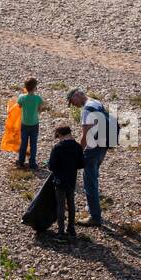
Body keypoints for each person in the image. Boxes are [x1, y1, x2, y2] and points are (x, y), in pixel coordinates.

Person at [68, 88, 112, 227]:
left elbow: (86, 135)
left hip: (93, 149)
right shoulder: (96, 102)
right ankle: (91, 206)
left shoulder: (87, 110)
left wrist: (78, 152)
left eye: (72, 101)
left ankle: (95, 216)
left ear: (77, 95)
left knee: (89, 182)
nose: (73, 104)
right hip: (104, 145)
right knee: (94, 176)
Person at [47, 124, 85, 239]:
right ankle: (71, 229)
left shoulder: (57, 148)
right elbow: (82, 164)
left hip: (59, 180)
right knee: (71, 203)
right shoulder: (77, 147)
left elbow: (51, 166)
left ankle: (60, 232)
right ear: (70, 133)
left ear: (59, 135)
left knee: (61, 205)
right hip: (72, 179)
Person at [16, 78, 43, 169]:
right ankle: (32, 163)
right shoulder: (38, 98)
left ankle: (21, 161)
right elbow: (39, 110)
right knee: (33, 144)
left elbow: (19, 106)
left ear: (25, 87)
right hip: (34, 124)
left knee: (23, 143)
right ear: (35, 88)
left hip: (24, 124)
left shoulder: (22, 97)